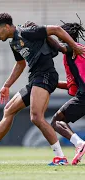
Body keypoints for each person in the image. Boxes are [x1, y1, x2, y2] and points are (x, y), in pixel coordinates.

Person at [0, 13, 85, 166]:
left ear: (7, 27)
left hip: (46, 75)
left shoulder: (27, 32)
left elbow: (55, 29)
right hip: (35, 78)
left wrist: (74, 46)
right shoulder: (13, 43)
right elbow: (20, 64)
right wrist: (7, 85)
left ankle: (60, 157)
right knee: (9, 110)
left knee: (36, 117)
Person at [47, 17, 85, 165]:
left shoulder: (72, 48)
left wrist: (41, 32)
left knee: (57, 121)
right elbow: (72, 85)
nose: (59, 41)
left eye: (60, 37)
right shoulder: (78, 49)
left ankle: (79, 144)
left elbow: (60, 47)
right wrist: (52, 83)